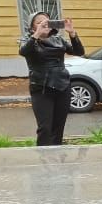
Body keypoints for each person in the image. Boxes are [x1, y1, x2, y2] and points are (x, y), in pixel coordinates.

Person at [19, 12, 84, 146]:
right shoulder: (28, 40)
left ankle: (56, 156)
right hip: (41, 88)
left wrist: (72, 33)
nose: (44, 24)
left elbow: (79, 52)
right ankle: (43, 158)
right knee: (45, 128)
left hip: (62, 86)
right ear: (32, 27)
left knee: (58, 127)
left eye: (47, 21)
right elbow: (24, 52)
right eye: (39, 22)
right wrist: (36, 35)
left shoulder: (58, 39)